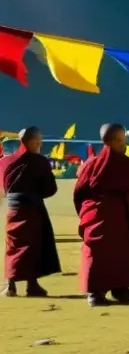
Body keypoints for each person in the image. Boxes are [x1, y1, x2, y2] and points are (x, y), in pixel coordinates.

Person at [73, 123, 129, 307]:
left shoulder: (90, 165)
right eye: (121, 140)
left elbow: (79, 193)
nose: (124, 144)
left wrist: (84, 213)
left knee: (112, 252)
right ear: (111, 141)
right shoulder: (128, 166)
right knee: (110, 252)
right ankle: (97, 292)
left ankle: (118, 288)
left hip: (99, 214)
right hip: (113, 213)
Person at [1, 127, 59, 298]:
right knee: (33, 246)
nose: (39, 145)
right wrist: (36, 193)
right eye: (38, 142)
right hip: (33, 207)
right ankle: (32, 285)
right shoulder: (40, 161)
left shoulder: (6, 161)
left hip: (13, 209)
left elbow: (3, 186)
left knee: (13, 246)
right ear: (30, 141)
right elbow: (50, 188)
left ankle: (11, 286)